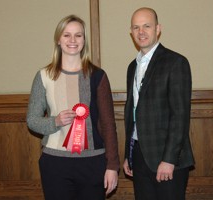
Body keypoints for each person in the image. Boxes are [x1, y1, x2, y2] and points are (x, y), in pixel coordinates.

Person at [27, 15, 119, 200]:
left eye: (78, 35)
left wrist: (112, 166)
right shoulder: (43, 76)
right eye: (67, 35)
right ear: (58, 40)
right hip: (55, 163)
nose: (72, 40)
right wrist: (55, 121)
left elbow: (108, 124)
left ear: (84, 41)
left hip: (93, 162)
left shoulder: (98, 76)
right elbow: (32, 120)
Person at [123, 7, 195, 200]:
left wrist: (169, 160)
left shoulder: (176, 62)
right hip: (138, 155)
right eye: (136, 27)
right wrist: (128, 155)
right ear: (131, 32)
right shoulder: (132, 67)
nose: (141, 32)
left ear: (158, 29)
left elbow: (180, 116)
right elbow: (132, 114)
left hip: (167, 157)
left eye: (147, 26)